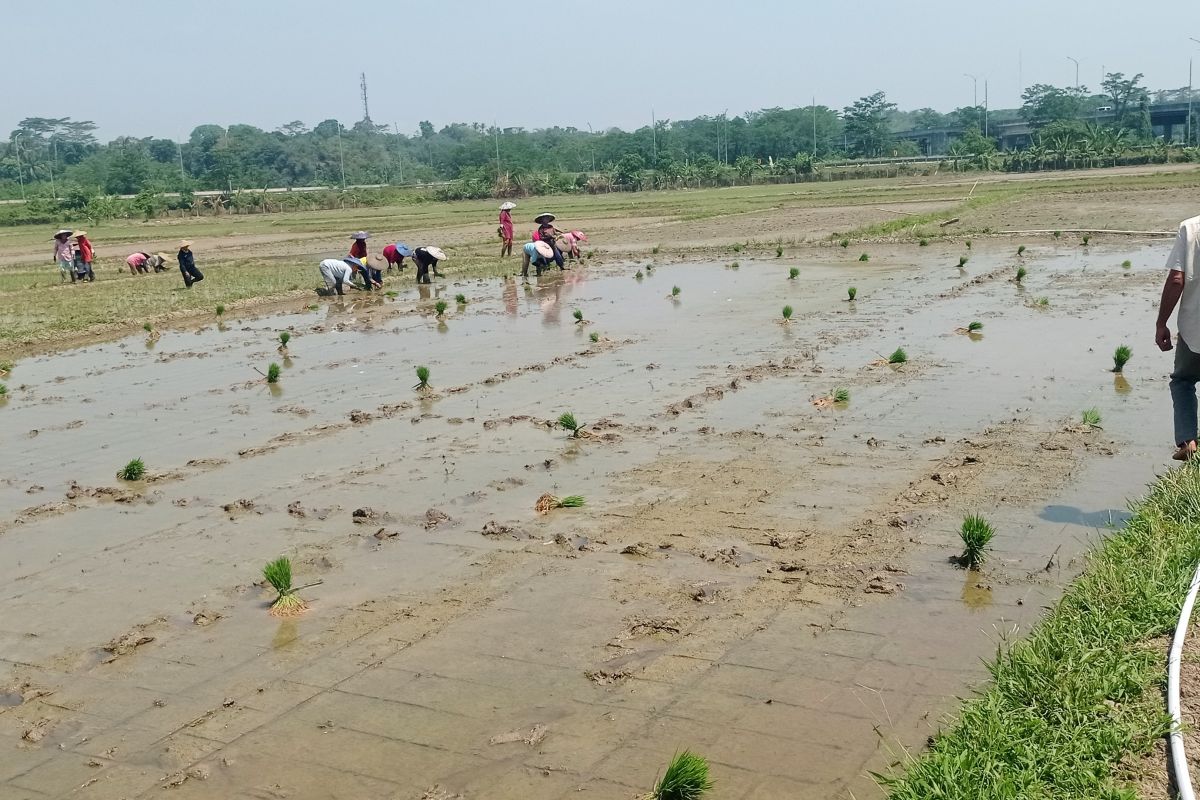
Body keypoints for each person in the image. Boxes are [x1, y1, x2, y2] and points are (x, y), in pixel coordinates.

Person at [1158, 214, 1200, 461]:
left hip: (1195, 328)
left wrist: (1161, 322)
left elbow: (1176, 279)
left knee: (1183, 381)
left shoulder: (1191, 228)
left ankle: (1188, 441)